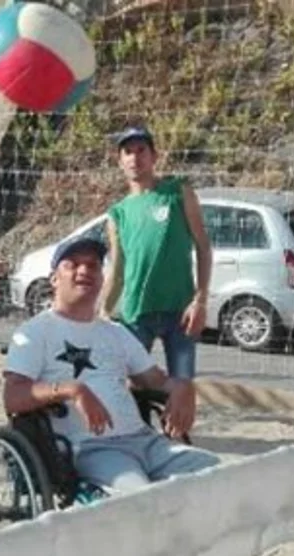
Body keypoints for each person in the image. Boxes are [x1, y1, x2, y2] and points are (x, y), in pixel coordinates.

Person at [3, 237, 219, 556]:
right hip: (91, 448)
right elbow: (14, 396)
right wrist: (71, 388)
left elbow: (153, 378)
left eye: (93, 265)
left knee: (216, 474)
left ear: (103, 277)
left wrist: (183, 386)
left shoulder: (115, 333)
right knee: (144, 500)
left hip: (144, 439)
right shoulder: (37, 332)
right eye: (73, 264)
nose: (85, 270)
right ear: (54, 278)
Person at [99, 126, 212, 380]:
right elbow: (117, 269)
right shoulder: (118, 213)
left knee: (182, 388)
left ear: (154, 157)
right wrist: (103, 311)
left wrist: (201, 300)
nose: (134, 157)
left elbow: (203, 246)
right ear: (120, 161)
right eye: (127, 152)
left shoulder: (177, 193)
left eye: (141, 150)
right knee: (135, 389)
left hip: (180, 313)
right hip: (136, 314)